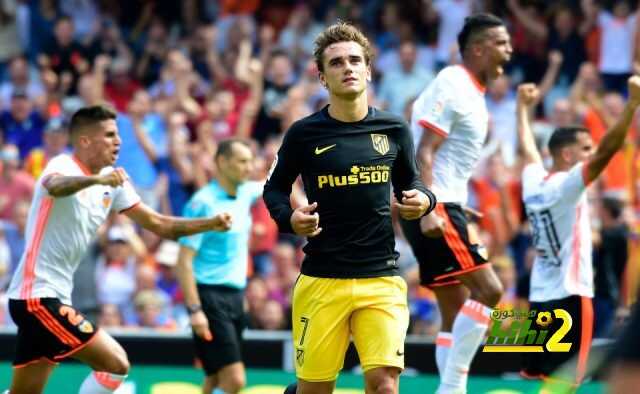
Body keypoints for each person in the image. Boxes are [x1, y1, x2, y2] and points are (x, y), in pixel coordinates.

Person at [4, 105, 232, 394]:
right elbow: (56, 186)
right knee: (115, 364)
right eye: (110, 135)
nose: (118, 141)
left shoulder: (114, 182)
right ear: (85, 141)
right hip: (36, 297)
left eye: (118, 135)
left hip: (52, 296)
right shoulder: (63, 166)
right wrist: (97, 179)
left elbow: (160, 224)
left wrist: (209, 223)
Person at [263, 22, 436, 394]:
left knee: (385, 385)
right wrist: (289, 219)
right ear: (323, 78)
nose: (348, 67)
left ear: (369, 70)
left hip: (382, 278)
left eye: (355, 60)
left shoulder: (394, 128)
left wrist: (424, 201)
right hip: (322, 280)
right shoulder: (303, 134)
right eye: (337, 62)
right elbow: (274, 190)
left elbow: (414, 184)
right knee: (314, 391)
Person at [400, 13, 512, 394]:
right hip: (435, 207)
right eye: (501, 43)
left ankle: (451, 388)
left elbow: (443, 159)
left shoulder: (473, 94)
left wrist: (457, 206)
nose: (509, 51)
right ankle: (451, 387)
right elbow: (423, 151)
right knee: (490, 290)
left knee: (454, 307)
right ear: (478, 49)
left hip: (445, 204)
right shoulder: (453, 82)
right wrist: (431, 208)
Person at [516, 77, 640, 385]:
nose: (592, 152)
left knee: (542, 377)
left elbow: (530, 150)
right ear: (567, 156)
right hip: (570, 295)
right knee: (568, 381)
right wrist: (632, 105)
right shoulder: (567, 186)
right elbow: (608, 151)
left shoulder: (534, 180)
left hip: (539, 295)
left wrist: (521, 109)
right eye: (586, 148)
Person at [175, 138, 263, 394]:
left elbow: (269, 181)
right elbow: (183, 261)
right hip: (209, 299)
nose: (249, 167)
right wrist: (194, 310)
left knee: (215, 377)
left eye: (251, 161)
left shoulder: (246, 191)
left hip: (235, 297)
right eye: (242, 161)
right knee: (235, 380)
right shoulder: (201, 203)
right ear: (222, 162)